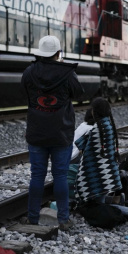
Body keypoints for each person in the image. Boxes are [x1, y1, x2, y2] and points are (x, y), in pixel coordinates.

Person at [21, 35, 84, 230]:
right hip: (61, 133)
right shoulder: (67, 73)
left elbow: (25, 91)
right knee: (60, 176)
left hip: (37, 132)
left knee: (37, 176)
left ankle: (33, 218)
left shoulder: (29, 72)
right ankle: (63, 219)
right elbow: (79, 93)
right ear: (58, 53)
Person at [74, 97, 128, 229]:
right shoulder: (108, 126)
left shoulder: (98, 128)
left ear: (95, 111)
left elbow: (85, 150)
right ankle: (117, 201)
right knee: (100, 202)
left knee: (98, 205)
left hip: (97, 177)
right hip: (106, 176)